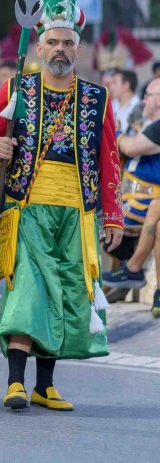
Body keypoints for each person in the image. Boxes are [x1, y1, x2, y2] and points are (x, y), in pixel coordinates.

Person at [0, 0, 123, 411]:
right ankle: (15, 383)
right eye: (53, 42)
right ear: (39, 46)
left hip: (78, 212)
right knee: (27, 291)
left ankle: (45, 385)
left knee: (62, 292)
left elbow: (109, 160)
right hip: (26, 210)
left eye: (67, 42)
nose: (60, 49)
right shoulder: (15, 90)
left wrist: (113, 215)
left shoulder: (97, 98)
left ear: (78, 49)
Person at [102, 76, 160, 317]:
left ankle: (129, 273)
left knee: (105, 227)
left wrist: (116, 134)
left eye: (148, 95)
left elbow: (131, 147)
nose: (143, 100)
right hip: (133, 202)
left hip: (142, 204)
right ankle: (126, 280)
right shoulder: (150, 126)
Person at [109, 69, 141, 135]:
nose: (110, 87)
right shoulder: (110, 104)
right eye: (110, 83)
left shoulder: (140, 108)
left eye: (114, 83)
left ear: (126, 85)